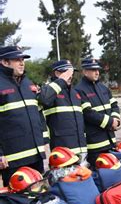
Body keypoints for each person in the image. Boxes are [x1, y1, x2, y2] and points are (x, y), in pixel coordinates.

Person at [0, 46, 45, 185]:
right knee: (18, 201)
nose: (22, 63)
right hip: (13, 160)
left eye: (22, 60)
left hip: (36, 156)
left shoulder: (27, 82)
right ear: (4, 62)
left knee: (40, 198)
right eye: (17, 60)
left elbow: (37, 113)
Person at [74, 58, 120, 166]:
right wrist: (110, 122)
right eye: (93, 70)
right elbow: (87, 113)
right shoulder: (79, 89)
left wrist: (116, 119)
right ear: (85, 71)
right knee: (100, 174)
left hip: (110, 140)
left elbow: (114, 105)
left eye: (98, 69)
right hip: (95, 144)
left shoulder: (103, 88)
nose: (97, 72)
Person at [39, 60, 87, 161]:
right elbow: (44, 99)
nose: (70, 76)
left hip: (81, 149)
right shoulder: (49, 92)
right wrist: (61, 81)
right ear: (57, 73)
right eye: (67, 73)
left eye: (71, 73)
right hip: (62, 153)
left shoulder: (75, 93)